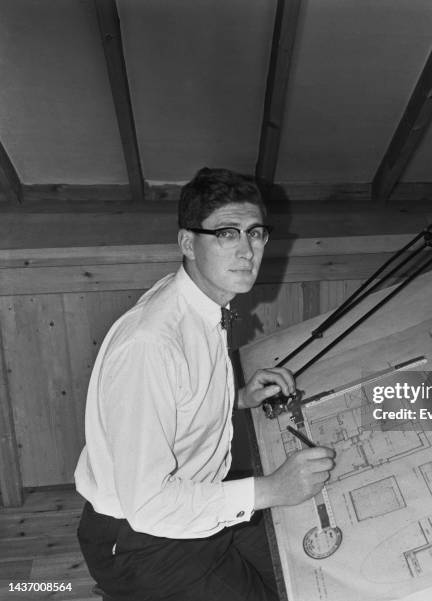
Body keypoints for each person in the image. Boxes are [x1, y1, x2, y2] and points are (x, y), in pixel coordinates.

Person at [74, 167, 335, 601]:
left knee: (306, 578)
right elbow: (150, 505)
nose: (247, 250)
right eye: (227, 234)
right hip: (140, 539)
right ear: (187, 242)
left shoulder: (201, 301)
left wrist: (239, 396)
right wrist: (271, 489)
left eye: (255, 233)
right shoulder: (150, 344)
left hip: (197, 497)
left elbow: (179, 403)